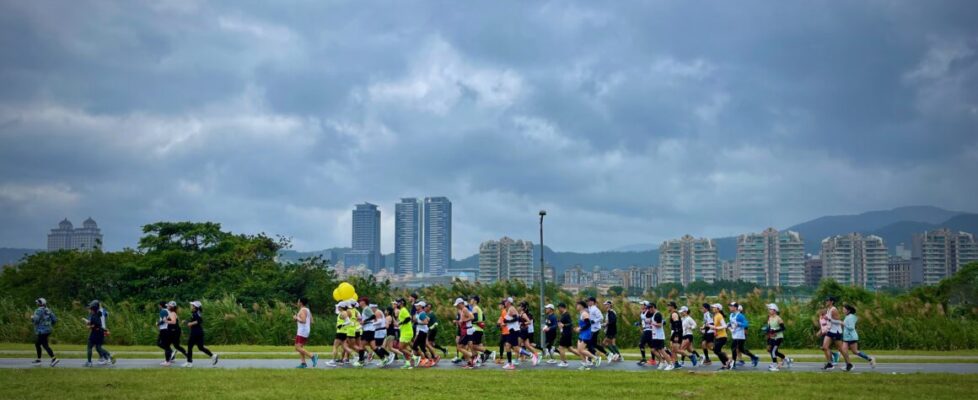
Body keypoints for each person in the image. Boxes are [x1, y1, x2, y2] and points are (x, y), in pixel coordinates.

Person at [185, 301, 218, 368]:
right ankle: (213, 356)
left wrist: (190, 323)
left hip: (195, 332)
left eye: (192, 305)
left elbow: (199, 321)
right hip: (199, 332)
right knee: (200, 347)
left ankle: (189, 362)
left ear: (195, 307)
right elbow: (196, 321)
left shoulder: (195, 313)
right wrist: (187, 322)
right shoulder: (197, 312)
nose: (191, 306)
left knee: (190, 346)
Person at [821, 296, 851, 371]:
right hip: (831, 331)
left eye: (827, 300)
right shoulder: (828, 309)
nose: (826, 301)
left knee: (841, 349)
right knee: (824, 347)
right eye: (826, 300)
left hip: (836, 332)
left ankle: (849, 364)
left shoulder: (834, 310)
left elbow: (839, 322)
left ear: (832, 302)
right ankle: (829, 364)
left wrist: (829, 319)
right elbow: (830, 321)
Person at [842, 304, 876, 369]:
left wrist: (843, 324)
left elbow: (851, 327)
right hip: (846, 338)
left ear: (848, 311)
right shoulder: (848, 316)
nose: (843, 311)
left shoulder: (851, 317)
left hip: (851, 337)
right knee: (845, 351)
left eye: (844, 309)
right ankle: (848, 365)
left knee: (855, 351)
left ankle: (870, 359)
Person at [728, 302, 759, 369]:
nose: (729, 307)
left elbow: (746, 324)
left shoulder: (740, 315)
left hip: (740, 336)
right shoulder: (731, 315)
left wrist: (739, 324)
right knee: (741, 349)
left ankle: (733, 364)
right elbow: (731, 323)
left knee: (733, 348)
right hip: (734, 335)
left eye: (731, 306)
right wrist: (729, 325)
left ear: (735, 307)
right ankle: (754, 357)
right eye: (729, 306)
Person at [83, 300, 113, 367]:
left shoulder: (93, 316)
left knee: (89, 346)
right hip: (100, 333)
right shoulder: (99, 314)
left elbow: (92, 325)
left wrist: (88, 325)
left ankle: (89, 362)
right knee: (98, 347)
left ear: (92, 309)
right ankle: (107, 357)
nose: (89, 309)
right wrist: (105, 330)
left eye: (90, 308)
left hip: (95, 334)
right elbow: (98, 324)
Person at [31, 298, 59, 367]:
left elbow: (36, 320)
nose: (36, 304)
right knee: (38, 344)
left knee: (43, 345)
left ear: (40, 303)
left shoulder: (38, 310)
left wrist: (32, 318)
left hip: (41, 331)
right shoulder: (48, 310)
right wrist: (48, 324)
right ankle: (39, 359)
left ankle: (54, 359)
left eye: (37, 303)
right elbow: (55, 320)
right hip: (48, 330)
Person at [764, 303, 791, 371]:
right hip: (772, 337)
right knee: (772, 351)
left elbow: (783, 328)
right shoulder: (769, 318)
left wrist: (775, 331)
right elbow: (769, 328)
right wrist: (767, 331)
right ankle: (787, 359)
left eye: (770, 309)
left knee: (773, 351)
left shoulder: (778, 318)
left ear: (775, 310)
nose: (769, 310)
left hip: (779, 337)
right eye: (769, 309)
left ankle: (775, 365)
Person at [293, 298, 318, 368]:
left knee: (297, 348)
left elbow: (303, 321)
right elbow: (312, 321)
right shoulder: (307, 310)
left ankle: (312, 356)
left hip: (302, 331)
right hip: (305, 330)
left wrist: (296, 318)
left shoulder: (302, 310)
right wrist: (298, 319)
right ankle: (303, 363)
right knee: (300, 347)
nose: (297, 303)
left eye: (298, 301)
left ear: (301, 303)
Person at [454, 297, 478, 369]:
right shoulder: (462, 310)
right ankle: (470, 362)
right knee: (465, 347)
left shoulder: (464, 309)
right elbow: (464, 320)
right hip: (465, 330)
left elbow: (472, 317)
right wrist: (458, 322)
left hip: (467, 331)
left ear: (461, 304)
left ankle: (472, 356)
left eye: (457, 305)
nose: (456, 306)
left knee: (459, 347)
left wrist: (463, 321)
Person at [648, 302, 673, 370]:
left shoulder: (658, 314)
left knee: (662, 350)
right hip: (655, 336)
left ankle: (670, 364)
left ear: (653, 307)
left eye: (649, 308)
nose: (648, 310)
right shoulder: (654, 314)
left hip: (659, 336)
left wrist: (653, 324)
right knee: (653, 350)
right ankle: (662, 361)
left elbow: (660, 325)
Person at [668, 302, 692, 369]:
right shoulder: (674, 313)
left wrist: (676, 335)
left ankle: (691, 356)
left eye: (669, 306)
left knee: (675, 349)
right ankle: (676, 363)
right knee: (673, 349)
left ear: (672, 306)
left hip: (677, 333)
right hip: (676, 333)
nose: (668, 307)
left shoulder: (674, 314)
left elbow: (677, 324)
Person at [574, 301, 598, 370]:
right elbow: (583, 324)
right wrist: (578, 328)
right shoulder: (581, 313)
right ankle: (585, 365)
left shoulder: (584, 313)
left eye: (577, 305)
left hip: (586, 334)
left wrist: (580, 328)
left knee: (581, 350)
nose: (576, 306)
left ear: (581, 306)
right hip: (582, 333)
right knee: (579, 350)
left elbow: (588, 324)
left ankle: (595, 358)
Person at [164, 301, 189, 366]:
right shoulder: (173, 313)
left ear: (171, 307)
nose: (167, 307)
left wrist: (166, 321)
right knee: (176, 346)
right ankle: (188, 356)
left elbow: (174, 322)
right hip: (175, 331)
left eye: (168, 306)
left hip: (173, 331)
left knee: (166, 345)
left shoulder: (172, 313)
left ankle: (167, 362)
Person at [469, 295, 493, 363]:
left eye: (471, 299)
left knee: (473, 346)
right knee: (474, 345)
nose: (470, 300)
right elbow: (483, 318)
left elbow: (475, 318)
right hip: (479, 329)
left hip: (476, 329)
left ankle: (489, 352)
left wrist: (467, 320)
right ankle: (477, 358)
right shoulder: (478, 308)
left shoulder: (474, 308)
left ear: (475, 301)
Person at [501, 297, 522, 370]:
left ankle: (532, 355)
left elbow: (516, 318)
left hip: (514, 330)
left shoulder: (511, 308)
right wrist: (506, 322)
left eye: (505, 301)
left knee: (514, 347)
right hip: (512, 330)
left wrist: (507, 321)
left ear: (509, 302)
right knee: (508, 346)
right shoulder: (509, 309)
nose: (504, 303)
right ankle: (509, 364)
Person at [585, 297, 607, 363]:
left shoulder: (595, 309)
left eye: (589, 301)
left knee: (590, 344)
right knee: (593, 344)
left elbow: (601, 317)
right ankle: (607, 354)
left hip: (595, 329)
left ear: (593, 302)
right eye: (587, 301)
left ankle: (590, 358)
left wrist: (594, 321)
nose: (588, 302)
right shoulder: (589, 308)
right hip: (591, 328)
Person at [518, 301, 540, 366]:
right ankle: (536, 356)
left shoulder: (524, 314)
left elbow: (529, 322)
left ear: (522, 307)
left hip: (523, 331)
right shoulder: (520, 313)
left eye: (519, 306)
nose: (518, 307)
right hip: (524, 330)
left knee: (517, 345)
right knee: (527, 346)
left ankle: (517, 360)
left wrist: (522, 323)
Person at [395, 298, 415, 369]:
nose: (396, 304)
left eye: (397, 302)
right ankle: (407, 363)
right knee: (404, 348)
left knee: (400, 348)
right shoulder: (401, 310)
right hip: (404, 332)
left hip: (406, 332)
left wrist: (400, 323)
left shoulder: (403, 310)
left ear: (402, 303)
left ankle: (415, 357)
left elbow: (408, 318)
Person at [555, 303, 576, 367]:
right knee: (570, 349)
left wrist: (564, 325)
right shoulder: (563, 315)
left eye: (559, 308)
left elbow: (570, 324)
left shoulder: (566, 314)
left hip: (566, 333)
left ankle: (564, 362)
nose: (558, 309)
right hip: (565, 333)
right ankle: (584, 357)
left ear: (562, 307)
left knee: (561, 348)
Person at [412, 301, 432, 367]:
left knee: (414, 346)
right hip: (422, 331)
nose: (416, 306)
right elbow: (428, 319)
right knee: (423, 348)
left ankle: (424, 359)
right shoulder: (420, 313)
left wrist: (418, 323)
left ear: (420, 306)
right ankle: (430, 361)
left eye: (417, 305)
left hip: (422, 332)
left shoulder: (422, 314)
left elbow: (426, 322)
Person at [711, 304, 731, 370]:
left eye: (714, 307)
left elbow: (724, 326)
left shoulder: (719, 316)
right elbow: (715, 326)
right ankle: (725, 364)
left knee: (716, 350)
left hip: (722, 336)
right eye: (713, 307)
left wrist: (715, 327)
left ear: (718, 309)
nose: (713, 308)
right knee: (716, 350)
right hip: (718, 336)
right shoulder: (715, 316)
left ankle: (727, 361)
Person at [636, 301, 655, 367]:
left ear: (646, 305)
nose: (641, 305)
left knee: (641, 344)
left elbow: (651, 319)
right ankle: (653, 360)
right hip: (646, 330)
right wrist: (639, 323)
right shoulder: (642, 312)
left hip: (649, 330)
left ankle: (644, 358)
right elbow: (643, 320)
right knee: (652, 346)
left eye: (642, 304)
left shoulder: (649, 312)